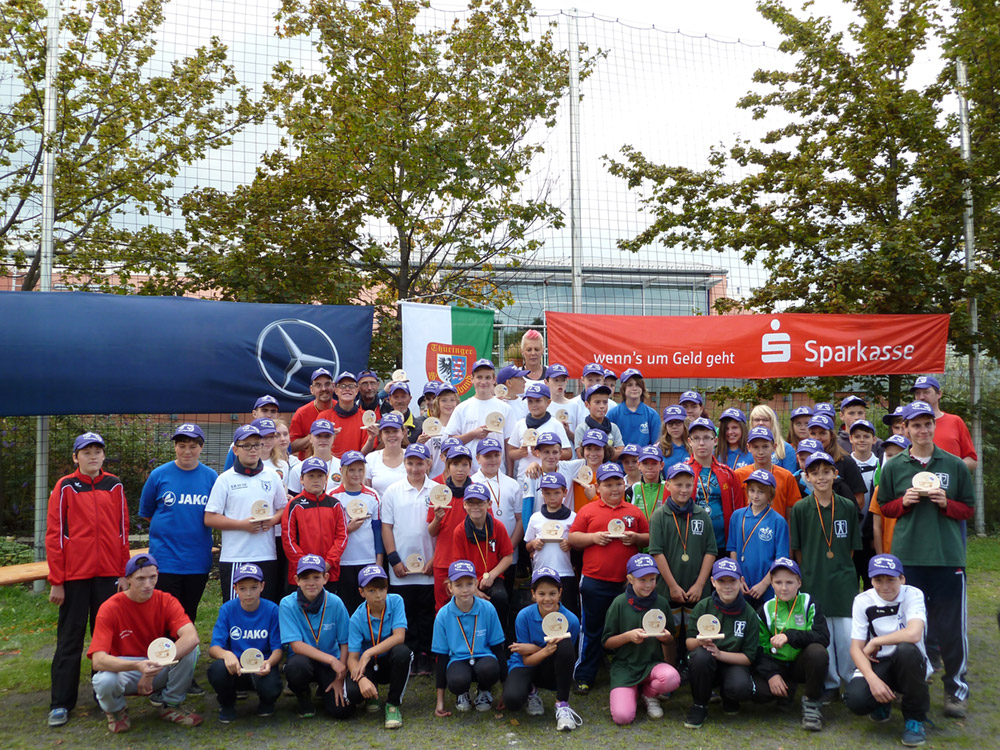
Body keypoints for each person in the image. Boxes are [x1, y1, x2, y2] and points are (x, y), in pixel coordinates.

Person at [877, 400, 974, 719]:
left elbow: (968, 509)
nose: (922, 430)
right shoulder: (894, 466)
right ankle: (908, 684)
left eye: (927, 423)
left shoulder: (954, 464)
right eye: (916, 425)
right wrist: (903, 502)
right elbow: (886, 507)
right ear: (905, 429)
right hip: (908, 558)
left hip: (947, 558)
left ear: (934, 425)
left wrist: (947, 503)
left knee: (951, 628)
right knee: (907, 626)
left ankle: (956, 689)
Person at [45, 431, 130, 728]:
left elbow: (122, 530)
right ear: (75, 457)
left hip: (108, 575)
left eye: (97, 451)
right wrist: (57, 580)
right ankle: (61, 703)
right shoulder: (65, 486)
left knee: (105, 638)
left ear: (103, 455)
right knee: (70, 638)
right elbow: (55, 535)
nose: (93, 456)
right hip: (74, 576)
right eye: (86, 452)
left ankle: (103, 694)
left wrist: (122, 572)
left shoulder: (114, 484)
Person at [139, 423, 217, 696]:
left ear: (201, 448)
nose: (187, 451)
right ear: (174, 447)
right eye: (181, 445)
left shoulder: (210, 477)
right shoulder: (159, 475)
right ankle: (161, 674)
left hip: (196, 561)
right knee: (165, 620)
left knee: (188, 617)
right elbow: (148, 512)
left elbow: (215, 513)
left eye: (192, 446)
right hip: (166, 561)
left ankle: (184, 673)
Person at [89, 553, 202, 733]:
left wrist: (151, 669)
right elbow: (98, 660)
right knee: (104, 680)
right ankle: (116, 711)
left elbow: (191, 637)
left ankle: (171, 705)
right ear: (128, 579)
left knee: (192, 650)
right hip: (126, 669)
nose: (148, 584)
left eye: (152, 577)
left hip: (156, 664)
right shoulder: (110, 607)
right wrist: (138, 666)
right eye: (140, 578)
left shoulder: (166, 600)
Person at [568, 462, 650, 694]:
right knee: (591, 628)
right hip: (594, 580)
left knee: (628, 628)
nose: (614, 489)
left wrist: (635, 538)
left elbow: (648, 537)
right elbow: (573, 538)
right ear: (598, 487)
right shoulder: (588, 510)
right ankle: (584, 675)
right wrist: (593, 538)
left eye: (618, 484)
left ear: (624, 485)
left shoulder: (633, 511)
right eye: (608, 485)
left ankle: (630, 673)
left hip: (627, 583)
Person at [788, 451, 860, 705]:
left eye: (826, 472)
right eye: (815, 473)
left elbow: (851, 548)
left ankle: (850, 681)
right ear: (806, 477)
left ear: (835, 474)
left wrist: (839, 567)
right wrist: (808, 570)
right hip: (813, 578)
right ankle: (830, 684)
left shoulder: (847, 506)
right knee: (822, 635)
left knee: (846, 635)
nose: (821, 477)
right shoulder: (800, 508)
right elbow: (797, 549)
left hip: (842, 580)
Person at [844, 554, 931, 747]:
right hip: (879, 660)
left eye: (891, 580)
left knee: (906, 650)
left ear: (902, 579)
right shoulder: (862, 601)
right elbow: (856, 649)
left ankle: (915, 719)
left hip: (909, 660)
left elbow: (914, 634)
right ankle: (882, 702)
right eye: (878, 580)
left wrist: (877, 641)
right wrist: (872, 679)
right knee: (856, 700)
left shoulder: (913, 594)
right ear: (871, 580)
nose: (884, 586)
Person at [205, 425, 288, 603]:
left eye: (257, 445)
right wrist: (242, 525)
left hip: (267, 554)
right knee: (238, 609)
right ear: (235, 450)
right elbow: (210, 517)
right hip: (236, 556)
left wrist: (273, 520)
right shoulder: (225, 479)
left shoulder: (272, 476)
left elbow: (283, 508)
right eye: (247, 445)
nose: (253, 450)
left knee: (266, 608)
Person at [648, 463, 717, 661]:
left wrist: (700, 584)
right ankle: (671, 668)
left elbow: (710, 551)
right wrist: (672, 586)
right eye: (678, 485)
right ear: (668, 485)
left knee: (695, 632)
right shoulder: (659, 516)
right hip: (668, 588)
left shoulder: (701, 515)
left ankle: (692, 668)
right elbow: (657, 552)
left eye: (688, 485)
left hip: (697, 588)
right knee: (670, 634)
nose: (684, 490)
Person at [602, 553, 681, 725]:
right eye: (642, 580)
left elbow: (671, 641)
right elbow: (607, 642)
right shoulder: (619, 603)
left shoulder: (661, 603)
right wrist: (628, 636)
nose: (648, 584)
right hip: (625, 667)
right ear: (630, 579)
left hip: (652, 664)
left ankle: (649, 694)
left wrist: (666, 638)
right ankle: (631, 692)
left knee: (672, 678)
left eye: (652, 579)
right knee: (623, 717)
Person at [754, 557, 830, 732]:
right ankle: (786, 690)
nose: (784, 587)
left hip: (801, 664)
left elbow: (822, 637)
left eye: (789, 582)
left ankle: (812, 703)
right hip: (776, 663)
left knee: (818, 652)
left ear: (799, 583)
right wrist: (771, 674)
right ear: (771, 583)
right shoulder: (765, 609)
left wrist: (789, 636)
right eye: (778, 582)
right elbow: (759, 648)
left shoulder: (809, 603)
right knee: (757, 693)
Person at [380, 443, 437, 675]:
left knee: (426, 613)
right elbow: (386, 527)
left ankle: (425, 655)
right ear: (404, 464)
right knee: (406, 613)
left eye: (420, 463)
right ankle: (410, 655)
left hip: (429, 566)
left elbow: (443, 529)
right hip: (401, 567)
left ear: (428, 464)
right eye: (410, 463)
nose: (415, 468)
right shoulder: (393, 491)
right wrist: (394, 559)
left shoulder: (437, 490)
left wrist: (435, 560)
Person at [503, 567, 582, 731]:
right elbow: (526, 660)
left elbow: (565, 656)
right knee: (512, 700)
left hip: (551, 667)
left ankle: (562, 704)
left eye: (552, 593)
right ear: (533, 594)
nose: (547, 599)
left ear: (560, 593)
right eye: (541, 594)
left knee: (564, 643)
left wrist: (534, 648)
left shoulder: (571, 620)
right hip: (526, 665)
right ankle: (531, 690)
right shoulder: (524, 616)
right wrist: (545, 650)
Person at [683, 558, 759, 729]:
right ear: (713, 582)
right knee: (699, 656)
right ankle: (699, 705)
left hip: (732, 663)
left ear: (741, 581)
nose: (727, 586)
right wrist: (699, 641)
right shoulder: (703, 607)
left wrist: (720, 654)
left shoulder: (749, 614)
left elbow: (748, 657)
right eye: (721, 581)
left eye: (732, 581)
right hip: (706, 661)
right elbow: (689, 643)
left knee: (741, 687)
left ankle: (729, 697)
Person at [280, 554, 354, 719]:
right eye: (305, 578)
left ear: (325, 578)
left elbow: (345, 642)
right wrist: (332, 660)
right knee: (296, 668)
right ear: (297, 580)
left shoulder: (335, 602)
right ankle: (303, 695)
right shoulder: (287, 604)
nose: (311, 583)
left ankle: (324, 688)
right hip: (304, 660)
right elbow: (296, 645)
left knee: (342, 711)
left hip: (330, 664)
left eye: (316, 577)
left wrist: (340, 676)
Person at [207, 562, 283, 723]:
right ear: (235, 589)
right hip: (236, 667)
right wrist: (226, 655)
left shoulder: (272, 610)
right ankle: (227, 703)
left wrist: (269, 663)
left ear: (262, 586)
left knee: (272, 687)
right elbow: (214, 648)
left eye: (254, 587)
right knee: (217, 670)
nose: (248, 593)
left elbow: (278, 649)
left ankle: (266, 702)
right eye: (242, 589)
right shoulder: (227, 609)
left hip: (261, 666)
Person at [432, 560, 507, 716]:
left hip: (484, 657)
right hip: (458, 660)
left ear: (476, 584)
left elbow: (498, 649)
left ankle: (484, 690)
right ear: (450, 587)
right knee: (457, 680)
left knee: (489, 669)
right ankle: (462, 693)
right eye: (458, 585)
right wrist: (440, 701)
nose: (465, 590)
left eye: (469, 584)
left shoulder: (488, 609)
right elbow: (442, 657)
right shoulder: (443, 615)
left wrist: (505, 691)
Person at [346, 564, 411, 730]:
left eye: (382, 589)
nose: (378, 595)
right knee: (353, 694)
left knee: (403, 652)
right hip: (367, 667)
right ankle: (371, 694)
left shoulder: (396, 601)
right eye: (371, 590)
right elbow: (352, 659)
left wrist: (368, 652)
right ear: (361, 592)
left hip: (389, 662)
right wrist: (361, 679)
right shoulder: (356, 619)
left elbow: (399, 637)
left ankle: (393, 704)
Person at [472, 436, 524, 620]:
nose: (493, 460)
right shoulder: (472, 483)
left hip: (508, 554)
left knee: (506, 598)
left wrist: (509, 547)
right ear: (478, 458)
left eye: (496, 455)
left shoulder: (512, 484)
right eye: (487, 456)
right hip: (482, 555)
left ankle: (504, 633)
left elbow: (520, 520)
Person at [450, 480, 515, 625]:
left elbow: (508, 556)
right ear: (464, 505)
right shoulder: (459, 531)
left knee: (500, 598)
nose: (475, 507)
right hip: (468, 578)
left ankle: (500, 635)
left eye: (480, 503)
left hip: (493, 576)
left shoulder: (498, 526)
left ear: (489, 504)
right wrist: (473, 589)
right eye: (471, 503)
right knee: (467, 600)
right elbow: (459, 565)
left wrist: (492, 575)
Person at [282, 456, 348, 592]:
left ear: (326, 478)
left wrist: (328, 563)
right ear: (301, 479)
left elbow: (342, 537)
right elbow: (288, 540)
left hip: (329, 572)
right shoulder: (294, 505)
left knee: (328, 604)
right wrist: (305, 565)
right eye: (311, 476)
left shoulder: (335, 504)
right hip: (301, 573)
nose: (316, 480)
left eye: (320, 476)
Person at [727, 468, 790, 609]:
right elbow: (733, 550)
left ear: (770, 495)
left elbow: (780, 559)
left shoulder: (778, 521)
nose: (755, 496)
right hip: (742, 583)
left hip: (767, 586)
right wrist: (737, 578)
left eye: (761, 492)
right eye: (752, 490)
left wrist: (764, 584)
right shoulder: (737, 516)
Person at [330, 451, 383, 613]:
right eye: (351, 470)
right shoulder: (333, 496)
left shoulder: (372, 495)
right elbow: (328, 532)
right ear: (342, 470)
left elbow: (377, 531)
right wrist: (347, 529)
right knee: (346, 606)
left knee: (367, 607)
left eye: (360, 470)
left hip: (367, 559)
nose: (356, 474)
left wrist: (379, 561)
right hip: (343, 561)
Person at [685, 417, 745, 557]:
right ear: (689, 442)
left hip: (723, 546)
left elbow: (739, 511)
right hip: (690, 545)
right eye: (696, 438)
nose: (701, 443)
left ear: (715, 441)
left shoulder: (728, 473)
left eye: (707, 438)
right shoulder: (680, 473)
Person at [523, 473, 578, 616]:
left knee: (567, 612)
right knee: (541, 611)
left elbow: (579, 544)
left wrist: (570, 543)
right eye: (547, 493)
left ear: (565, 492)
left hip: (565, 572)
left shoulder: (573, 517)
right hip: (541, 572)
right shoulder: (536, 518)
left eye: (556, 493)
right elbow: (527, 546)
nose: (552, 497)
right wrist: (534, 543)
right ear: (542, 494)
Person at [443, 358, 513, 473]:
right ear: (472, 379)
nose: (483, 382)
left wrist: (509, 474)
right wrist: (473, 434)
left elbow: (509, 444)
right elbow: (450, 442)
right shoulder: (462, 408)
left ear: (494, 379)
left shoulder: (505, 408)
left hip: (498, 474)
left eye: (487, 377)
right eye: (479, 377)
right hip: (468, 475)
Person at [428, 445, 475, 610]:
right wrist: (437, 519)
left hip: (469, 560)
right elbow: (431, 532)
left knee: (469, 607)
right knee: (442, 608)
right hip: (443, 560)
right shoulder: (439, 494)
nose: (460, 469)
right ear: (447, 467)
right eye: (455, 464)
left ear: (470, 466)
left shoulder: (477, 493)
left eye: (464, 464)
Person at [910, 375, 978, 471]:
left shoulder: (955, 421)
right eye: (917, 393)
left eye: (926, 392)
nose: (921, 397)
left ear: (939, 394)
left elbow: (972, 461)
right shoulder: (909, 425)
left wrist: (949, 468)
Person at [734, 426, 802, 521]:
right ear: (748, 448)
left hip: (777, 528)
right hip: (748, 528)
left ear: (774, 447)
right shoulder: (739, 475)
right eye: (755, 447)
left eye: (765, 446)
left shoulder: (786, 477)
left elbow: (791, 511)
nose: (761, 452)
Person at [507, 382, 572, 479]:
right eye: (530, 401)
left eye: (538, 401)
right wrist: (519, 452)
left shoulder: (555, 425)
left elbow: (568, 453)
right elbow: (510, 452)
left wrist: (545, 453)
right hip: (524, 477)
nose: (534, 405)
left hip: (549, 478)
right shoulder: (520, 424)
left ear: (548, 402)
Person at [807, 413, 867, 513]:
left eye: (822, 433)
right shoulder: (804, 461)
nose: (817, 438)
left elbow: (859, 500)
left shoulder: (846, 461)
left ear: (831, 435)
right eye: (813, 433)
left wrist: (839, 516)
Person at [849, 419, 880, 589]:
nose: (862, 440)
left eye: (866, 436)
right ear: (850, 439)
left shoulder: (880, 465)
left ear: (874, 439)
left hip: (872, 535)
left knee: (872, 582)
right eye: (857, 436)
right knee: (851, 581)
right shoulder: (845, 464)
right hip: (851, 535)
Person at [869, 434, 910, 554]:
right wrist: (880, 556)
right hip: (889, 553)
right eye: (889, 455)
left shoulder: (918, 486)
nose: (893, 459)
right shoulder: (880, 489)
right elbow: (877, 527)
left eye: (898, 455)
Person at [317, 372, 369, 456]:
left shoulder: (365, 417)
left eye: (351, 386)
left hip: (357, 462)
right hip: (331, 463)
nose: (347, 389)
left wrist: (371, 438)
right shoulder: (324, 417)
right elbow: (317, 446)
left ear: (357, 390)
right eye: (342, 386)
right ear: (336, 390)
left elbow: (367, 451)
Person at [287, 419, 344, 495]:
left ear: (333, 438)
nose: (323, 440)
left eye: (327, 436)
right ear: (310, 438)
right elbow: (293, 499)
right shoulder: (298, 469)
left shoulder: (342, 467)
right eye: (318, 436)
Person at [607, 368, 662, 448]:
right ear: (623, 388)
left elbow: (656, 445)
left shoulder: (652, 415)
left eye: (638, 385)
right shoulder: (613, 414)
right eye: (630, 385)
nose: (635, 388)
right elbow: (609, 444)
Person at [225, 395, 283, 469]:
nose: (269, 415)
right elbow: (228, 472)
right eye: (264, 410)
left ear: (277, 415)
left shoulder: (282, 441)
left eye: (273, 411)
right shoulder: (240, 442)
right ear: (254, 413)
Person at [291, 369, 336, 459]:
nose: (324, 389)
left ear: (333, 386)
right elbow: (292, 447)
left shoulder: (340, 409)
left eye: (327, 384)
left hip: (336, 463)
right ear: (312, 389)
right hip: (310, 464)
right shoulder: (302, 413)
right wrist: (316, 434)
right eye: (318, 385)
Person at [574, 384, 624, 459]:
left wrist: (599, 453)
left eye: (605, 402)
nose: (602, 406)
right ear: (587, 404)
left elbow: (621, 452)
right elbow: (581, 455)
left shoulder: (613, 427)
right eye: (597, 402)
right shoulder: (582, 428)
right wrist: (610, 451)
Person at [365, 412, 407, 497]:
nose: (391, 435)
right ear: (381, 435)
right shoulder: (371, 458)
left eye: (395, 431)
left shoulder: (411, 456)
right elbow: (366, 492)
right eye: (387, 432)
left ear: (403, 433)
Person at [749, 405, 797, 471]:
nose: (761, 423)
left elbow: (789, 476)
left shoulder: (786, 448)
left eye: (765, 420)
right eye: (757, 420)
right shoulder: (745, 448)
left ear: (772, 422)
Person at [567, 363, 608, 436]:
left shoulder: (611, 405)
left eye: (598, 380)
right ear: (582, 380)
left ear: (603, 380)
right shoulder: (572, 404)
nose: (594, 384)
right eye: (590, 380)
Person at [544, 363, 578, 439]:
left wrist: (568, 432)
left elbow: (580, 439)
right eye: (556, 380)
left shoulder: (575, 406)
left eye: (563, 380)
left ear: (567, 381)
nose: (560, 384)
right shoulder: (543, 406)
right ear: (546, 382)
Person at [658, 405, 690, 472]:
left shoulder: (693, 446)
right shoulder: (660, 448)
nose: (674, 426)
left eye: (678, 422)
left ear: (685, 424)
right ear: (665, 426)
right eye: (670, 423)